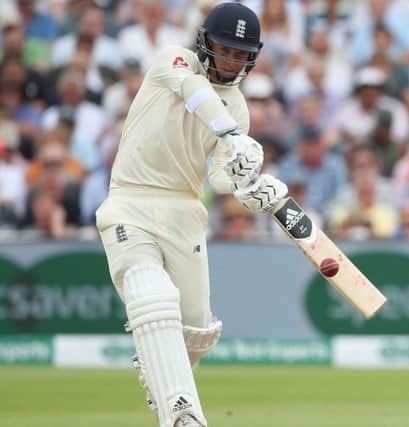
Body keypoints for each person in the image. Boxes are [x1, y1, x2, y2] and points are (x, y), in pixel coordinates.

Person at [95, 4, 288, 427]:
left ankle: (158, 369)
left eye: (242, 54)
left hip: (185, 212)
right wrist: (235, 138)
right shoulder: (174, 60)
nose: (233, 61)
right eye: (226, 50)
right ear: (205, 44)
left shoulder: (237, 105)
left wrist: (250, 186)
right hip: (132, 200)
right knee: (152, 296)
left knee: (198, 333)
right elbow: (194, 95)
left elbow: (219, 179)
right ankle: (183, 416)